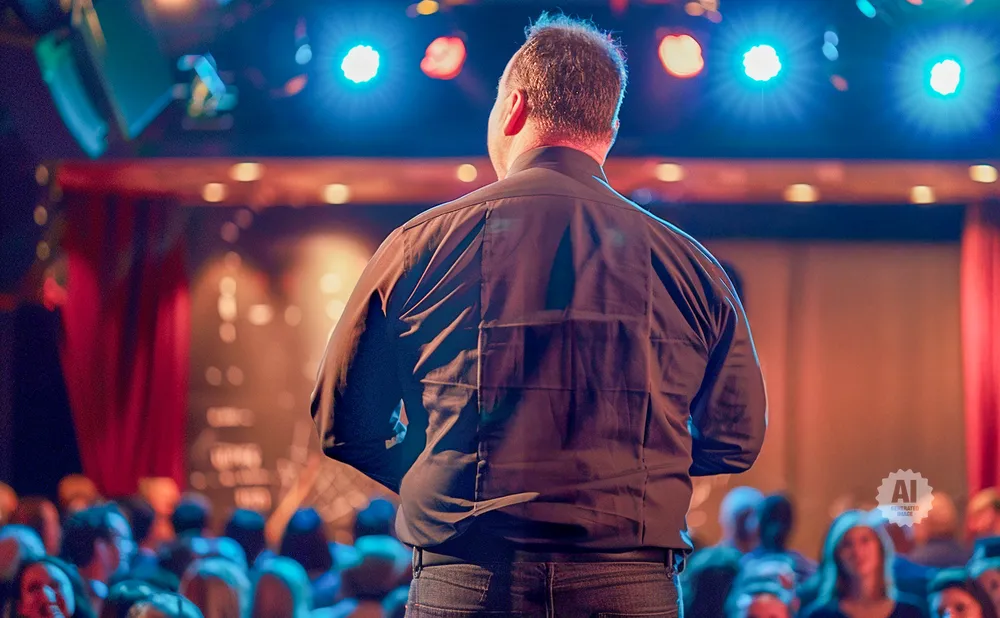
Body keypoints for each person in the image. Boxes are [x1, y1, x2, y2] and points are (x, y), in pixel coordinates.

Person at [310, 12, 767, 616]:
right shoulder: (692, 268)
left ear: (514, 108)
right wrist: (637, 478)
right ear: (608, 129)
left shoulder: (416, 247)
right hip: (629, 586)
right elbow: (736, 438)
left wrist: (441, 474)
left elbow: (344, 425)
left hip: (468, 580)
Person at [801, 510, 924, 618]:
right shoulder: (819, 615)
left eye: (865, 541)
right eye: (847, 544)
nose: (857, 552)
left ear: (880, 548)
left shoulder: (911, 612)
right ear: (836, 554)